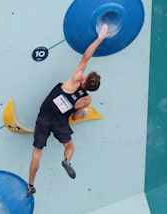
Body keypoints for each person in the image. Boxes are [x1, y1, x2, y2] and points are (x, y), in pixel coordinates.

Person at [26, 24, 110, 198]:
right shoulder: (86, 99)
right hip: (60, 122)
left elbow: (86, 57)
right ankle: (66, 160)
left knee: (37, 152)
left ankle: (30, 185)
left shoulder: (74, 81)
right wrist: (84, 110)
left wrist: (100, 38)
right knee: (70, 146)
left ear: (84, 78)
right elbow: (75, 116)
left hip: (45, 116)